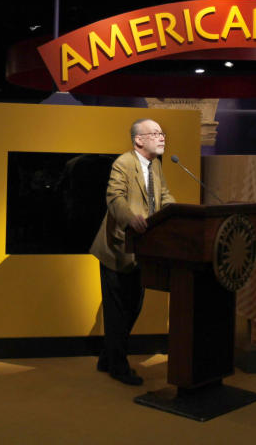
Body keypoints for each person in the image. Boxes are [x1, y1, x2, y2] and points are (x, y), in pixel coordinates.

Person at [90, 118, 174, 385]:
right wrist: (130, 218)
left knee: (132, 308)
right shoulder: (123, 163)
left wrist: (178, 212)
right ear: (139, 140)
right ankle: (118, 365)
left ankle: (108, 357)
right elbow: (115, 198)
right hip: (118, 249)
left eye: (162, 133)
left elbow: (164, 196)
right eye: (155, 133)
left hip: (143, 250)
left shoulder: (156, 165)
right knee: (119, 311)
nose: (162, 137)